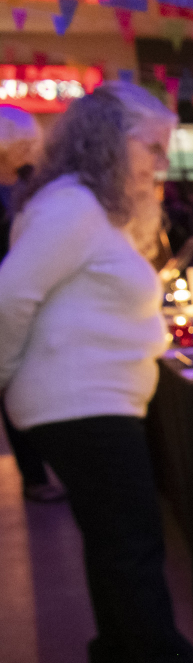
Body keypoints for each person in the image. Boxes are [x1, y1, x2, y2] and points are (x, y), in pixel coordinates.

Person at [0, 83, 193, 663]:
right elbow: (9, 297)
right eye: (152, 148)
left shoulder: (84, 206)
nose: (160, 164)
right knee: (132, 542)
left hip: (88, 398)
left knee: (112, 539)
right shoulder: (72, 207)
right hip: (80, 402)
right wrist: (5, 377)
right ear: (109, 141)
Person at [0, 105, 60, 503]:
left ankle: (36, 474)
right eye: (22, 144)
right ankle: (34, 476)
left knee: (18, 385)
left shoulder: (26, 184)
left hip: (20, 292)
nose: (28, 152)